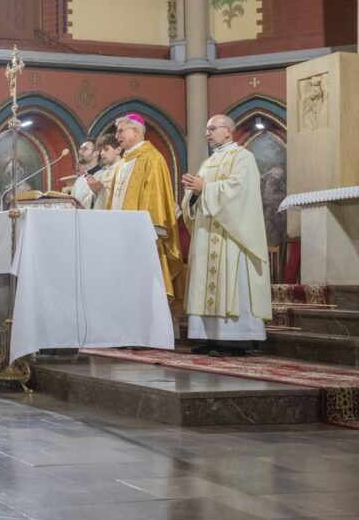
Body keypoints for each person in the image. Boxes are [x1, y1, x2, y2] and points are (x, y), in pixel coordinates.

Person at [181, 115, 272, 356]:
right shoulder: (207, 163)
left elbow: (240, 192)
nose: (207, 133)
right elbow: (195, 198)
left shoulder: (243, 157)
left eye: (212, 128)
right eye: (206, 129)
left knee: (232, 283)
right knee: (206, 283)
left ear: (228, 131)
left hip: (232, 237)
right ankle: (209, 337)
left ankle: (234, 339)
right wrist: (194, 194)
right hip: (207, 234)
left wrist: (205, 188)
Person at [107, 113, 183, 306]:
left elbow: (155, 198)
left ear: (135, 131)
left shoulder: (152, 158)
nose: (117, 136)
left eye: (120, 131)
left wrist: (150, 233)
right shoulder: (121, 165)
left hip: (142, 237)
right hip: (118, 235)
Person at [87, 132, 121, 210]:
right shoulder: (104, 173)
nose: (102, 153)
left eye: (106, 149)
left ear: (118, 150)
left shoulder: (124, 170)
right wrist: (96, 191)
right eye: (101, 150)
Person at [70, 140, 103, 209]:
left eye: (84, 149)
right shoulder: (79, 180)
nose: (80, 152)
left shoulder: (103, 175)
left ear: (96, 153)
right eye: (80, 150)